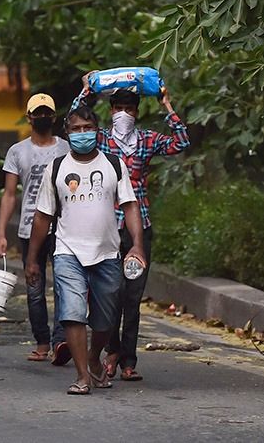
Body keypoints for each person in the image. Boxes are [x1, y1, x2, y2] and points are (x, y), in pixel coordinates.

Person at [71, 77, 190, 382]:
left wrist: (166, 103)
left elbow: (181, 142)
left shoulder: (148, 140)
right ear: (111, 110)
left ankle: (128, 360)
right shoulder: (100, 140)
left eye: (129, 108)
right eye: (119, 108)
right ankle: (111, 352)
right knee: (110, 292)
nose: (123, 113)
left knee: (133, 296)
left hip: (139, 228)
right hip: (107, 226)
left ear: (136, 112)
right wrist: (86, 90)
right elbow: (73, 124)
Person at [26, 105, 145, 395]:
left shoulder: (114, 165)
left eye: (88, 129)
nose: (82, 134)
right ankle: (82, 375)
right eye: (76, 129)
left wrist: (138, 245)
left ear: (97, 131)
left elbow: (130, 206)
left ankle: (94, 357)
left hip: (107, 253)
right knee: (72, 311)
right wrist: (32, 259)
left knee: (105, 319)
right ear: (67, 132)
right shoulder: (57, 168)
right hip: (67, 251)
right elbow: (43, 216)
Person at [0, 93, 70, 363]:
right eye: (36, 113)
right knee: (35, 286)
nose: (41, 117)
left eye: (45, 113)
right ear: (29, 117)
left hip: (62, 227)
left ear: (54, 116)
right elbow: (9, 194)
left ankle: (61, 340)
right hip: (29, 227)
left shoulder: (66, 148)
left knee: (64, 285)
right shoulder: (17, 151)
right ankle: (41, 340)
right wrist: (1, 232)